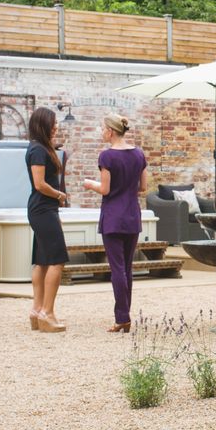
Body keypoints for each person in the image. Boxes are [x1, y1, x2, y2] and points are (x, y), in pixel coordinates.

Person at [82, 113, 148, 332]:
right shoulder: (139, 154)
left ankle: (122, 318)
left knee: (117, 269)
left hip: (113, 217)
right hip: (132, 216)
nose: (101, 132)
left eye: (102, 128)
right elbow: (142, 187)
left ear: (110, 131)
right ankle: (124, 316)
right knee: (126, 268)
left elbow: (105, 189)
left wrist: (89, 183)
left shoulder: (106, 157)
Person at [26, 107, 69, 332]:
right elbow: (40, 184)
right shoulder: (38, 151)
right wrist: (60, 195)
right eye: (53, 123)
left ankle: (36, 311)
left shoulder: (39, 148)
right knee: (57, 259)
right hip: (43, 209)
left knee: (42, 260)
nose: (56, 126)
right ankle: (47, 313)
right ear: (43, 124)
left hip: (42, 209)